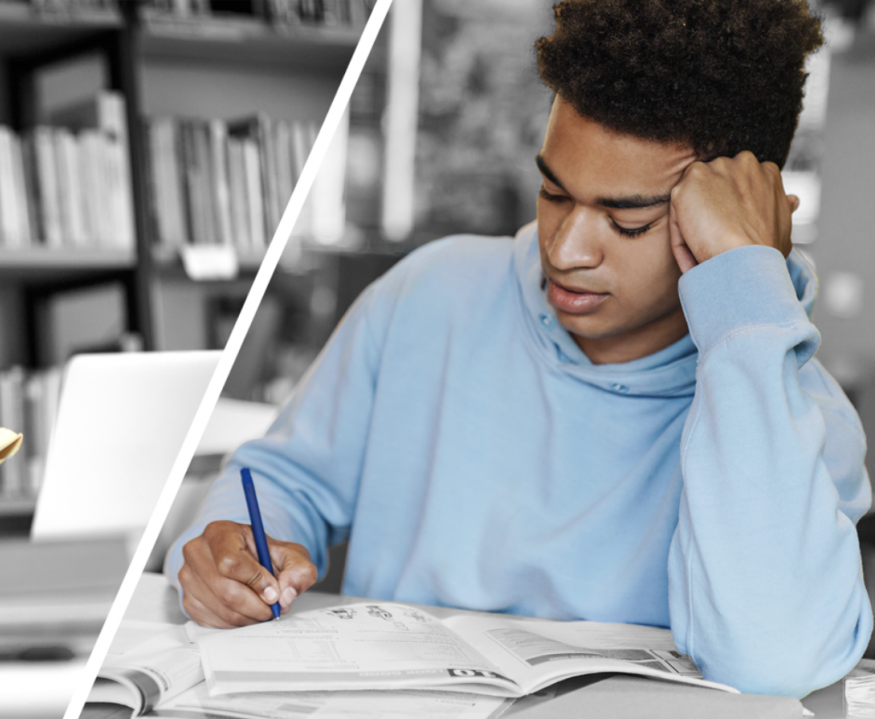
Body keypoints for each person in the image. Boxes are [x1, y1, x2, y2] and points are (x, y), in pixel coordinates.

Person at [167, 0, 869, 699]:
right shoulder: (430, 295)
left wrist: (745, 295)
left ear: (734, 215)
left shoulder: (796, 410)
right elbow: (283, 481)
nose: (564, 250)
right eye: (553, 193)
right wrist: (231, 550)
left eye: (627, 222)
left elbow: (772, 659)